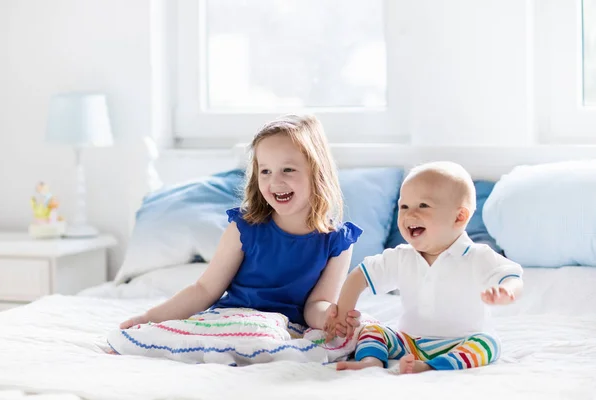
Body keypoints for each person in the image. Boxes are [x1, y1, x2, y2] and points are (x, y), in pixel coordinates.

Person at [121, 114, 362, 332]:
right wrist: (149, 317)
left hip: (285, 329)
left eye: (288, 169)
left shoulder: (338, 242)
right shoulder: (244, 228)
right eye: (265, 171)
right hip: (234, 320)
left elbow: (316, 305)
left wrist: (329, 317)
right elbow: (205, 290)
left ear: (317, 172)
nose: (275, 181)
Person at [324, 161, 523, 373]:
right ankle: (371, 361)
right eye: (404, 206)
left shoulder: (476, 256)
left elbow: (511, 276)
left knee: (488, 344)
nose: (410, 214)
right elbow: (360, 275)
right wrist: (344, 312)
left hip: (460, 341)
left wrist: (506, 290)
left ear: (459, 216)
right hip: (410, 341)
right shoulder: (401, 256)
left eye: (423, 206)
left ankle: (431, 366)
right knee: (372, 330)